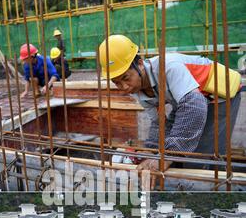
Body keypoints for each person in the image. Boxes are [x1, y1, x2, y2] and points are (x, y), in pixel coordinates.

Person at [99, 34, 242, 189]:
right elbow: (159, 123)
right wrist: (150, 155)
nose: (124, 87)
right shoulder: (137, 89)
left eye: (126, 78)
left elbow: (194, 107)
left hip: (219, 96)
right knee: (177, 148)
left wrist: (166, 157)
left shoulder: (168, 67)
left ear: (140, 64)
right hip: (191, 99)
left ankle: (218, 192)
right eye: (116, 83)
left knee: (203, 155)